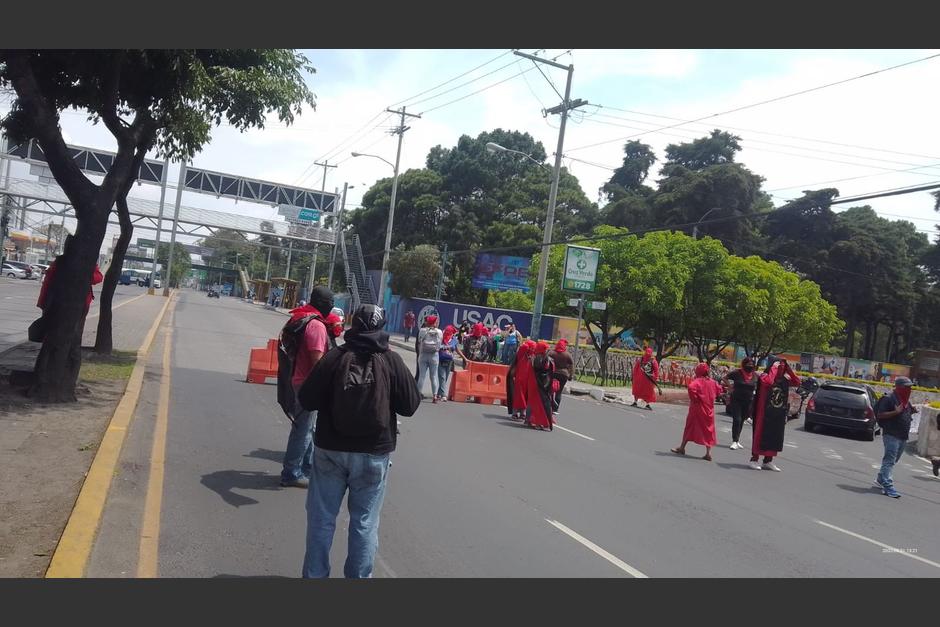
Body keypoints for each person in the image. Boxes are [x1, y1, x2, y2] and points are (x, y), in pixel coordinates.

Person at [297, 304, 420, 578]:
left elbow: (306, 399)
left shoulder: (335, 356)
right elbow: (410, 405)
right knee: (365, 523)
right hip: (373, 453)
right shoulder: (391, 360)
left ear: (354, 322)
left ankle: (314, 576)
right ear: (381, 326)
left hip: (330, 449)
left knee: (321, 519)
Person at [280, 286, 334, 488]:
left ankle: (307, 468)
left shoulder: (300, 317)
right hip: (307, 383)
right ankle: (291, 472)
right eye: (330, 303)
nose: (331, 307)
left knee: (308, 428)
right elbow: (317, 361)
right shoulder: (317, 326)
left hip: (297, 378)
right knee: (303, 430)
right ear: (324, 304)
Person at [749, 356, 800, 472]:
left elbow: (797, 382)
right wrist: (774, 368)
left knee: (775, 436)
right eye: (779, 366)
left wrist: (789, 370)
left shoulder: (785, 380)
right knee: (760, 435)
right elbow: (769, 382)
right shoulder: (764, 376)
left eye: (783, 367)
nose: (780, 369)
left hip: (777, 413)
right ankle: (754, 459)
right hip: (764, 413)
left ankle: (768, 460)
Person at [874, 376, 917, 498]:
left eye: (910, 387)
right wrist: (896, 412)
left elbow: (904, 412)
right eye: (907, 387)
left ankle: (880, 479)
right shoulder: (888, 398)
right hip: (891, 434)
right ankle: (888, 486)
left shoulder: (905, 401)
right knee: (889, 460)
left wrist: (911, 411)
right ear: (899, 387)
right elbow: (880, 415)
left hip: (903, 436)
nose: (909, 389)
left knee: (893, 460)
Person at [672, 363, 723, 460]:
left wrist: (694, 398)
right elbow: (719, 390)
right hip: (709, 410)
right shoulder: (713, 382)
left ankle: (682, 447)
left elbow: (691, 387)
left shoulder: (698, 381)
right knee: (709, 430)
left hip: (697, 408)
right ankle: (708, 453)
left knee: (690, 427)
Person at [722, 357, 758, 450]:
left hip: (748, 401)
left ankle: (737, 441)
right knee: (737, 419)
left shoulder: (755, 375)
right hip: (736, 400)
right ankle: (734, 441)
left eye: (751, 365)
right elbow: (724, 378)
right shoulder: (737, 373)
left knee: (742, 420)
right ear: (744, 364)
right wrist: (730, 387)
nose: (750, 366)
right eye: (748, 364)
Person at [526, 341, 555, 431]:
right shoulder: (539, 358)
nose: (547, 350)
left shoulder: (538, 358)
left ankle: (539, 422)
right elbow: (542, 372)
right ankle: (539, 422)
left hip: (540, 384)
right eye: (546, 349)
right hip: (541, 384)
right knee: (541, 405)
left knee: (540, 404)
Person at [416, 315, 443, 402]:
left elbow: (419, 341)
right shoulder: (439, 332)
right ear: (435, 322)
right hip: (434, 355)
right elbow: (440, 343)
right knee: (433, 376)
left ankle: (418, 394)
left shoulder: (422, 330)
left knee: (422, 376)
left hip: (423, 354)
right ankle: (435, 396)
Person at [507, 340, 535, 420]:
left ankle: (523, 413)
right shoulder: (522, 353)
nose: (533, 349)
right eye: (532, 348)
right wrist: (528, 345)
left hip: (528, 380)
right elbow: (524, 347)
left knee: (525, 397)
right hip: (519, 378)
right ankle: (514, 413)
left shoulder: (532, 356)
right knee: (518, 396)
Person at [549, 339, 573, 415]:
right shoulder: (567, 354)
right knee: (559, 392)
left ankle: (550, 406)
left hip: (552, 373)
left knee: (550, 391)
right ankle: (555, 409)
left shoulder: (552, 353)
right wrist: (570, 375)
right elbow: (571, 365)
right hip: (563, 375)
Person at [436, 325, 459, 402]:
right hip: (440, 359)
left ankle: (439, 393)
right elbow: (437, 347)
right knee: (442, 377)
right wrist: (444, 347)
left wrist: (464, 358)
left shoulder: (454, 340)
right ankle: (443, 395)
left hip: (449, 360)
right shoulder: (441, 338)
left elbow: (457, 349)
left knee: (445, 378)